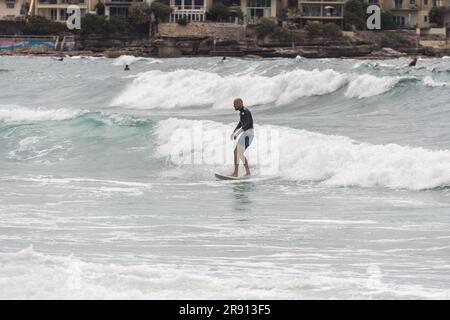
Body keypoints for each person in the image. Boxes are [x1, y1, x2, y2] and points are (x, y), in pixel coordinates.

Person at [229, 98, 254, 177]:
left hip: (248, 134)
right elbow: (240, 123)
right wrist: (234, 132)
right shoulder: (242, 112)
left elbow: (247, 124)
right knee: (239, 153)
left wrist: (237, 134)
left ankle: (236, 173)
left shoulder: (245, 112)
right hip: (248, 134)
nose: (234, 106)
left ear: (240, 103)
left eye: (235, 104)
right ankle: (248, 172)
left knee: (236, 152)